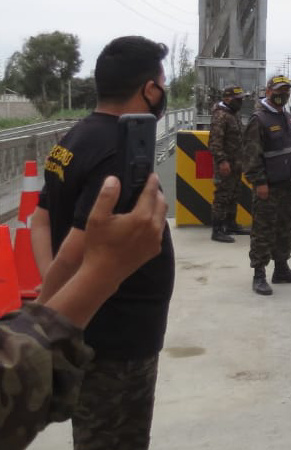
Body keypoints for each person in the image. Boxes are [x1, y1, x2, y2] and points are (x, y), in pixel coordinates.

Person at [30, 35, 176, 450]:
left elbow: (39, 221)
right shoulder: (120, 154)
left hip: (98, 327)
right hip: (118, 340)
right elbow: (78, 251)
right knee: (114, 439)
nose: (162, 92)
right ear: (149, 88)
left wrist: (56, 298)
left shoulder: (75, 136)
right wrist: (46, 319)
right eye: (162, 83)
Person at [2, 175, 167, 450]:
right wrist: (102, 274)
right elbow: (71, 251)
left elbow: (41, 220)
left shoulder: (73, 145)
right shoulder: (111, 160)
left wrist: (46, 299)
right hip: (117, 342)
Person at [241, 75, 291, 296]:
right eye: (279, 91)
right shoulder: (259, 120)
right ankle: (259, 274)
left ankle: (281, 269)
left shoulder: (288, 118)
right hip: (267, 187)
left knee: (284, 227)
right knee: (263, 230)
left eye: (286, 91)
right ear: (268, 91)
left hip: (286, 184)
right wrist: (259, 181)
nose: (283, 95)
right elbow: (251, 156)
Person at [209, 85, 251, 243]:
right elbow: (215, 142)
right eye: (237, 99)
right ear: (227, 98)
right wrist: (222, 161)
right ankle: (217, 230)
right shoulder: (221, 116)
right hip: (225, 164)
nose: (240, 102)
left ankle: (231, 224)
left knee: (234, 194)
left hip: (236, 163)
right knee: (222, 196)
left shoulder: (233, 114)